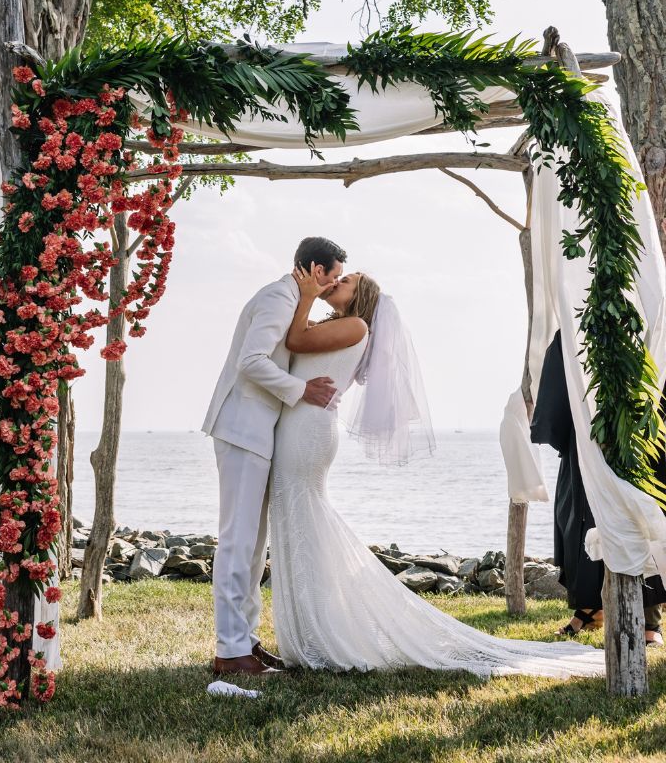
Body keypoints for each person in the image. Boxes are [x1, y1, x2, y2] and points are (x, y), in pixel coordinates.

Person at [267, 266, 605, 678]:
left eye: (347, 281)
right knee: (299, 525)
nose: (337, 282)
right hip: (300, 429)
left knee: (306, 525)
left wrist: (305, 293)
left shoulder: (355, 325)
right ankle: (312, 629)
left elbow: (294, 340)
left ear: (360, 297)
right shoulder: (339, 324)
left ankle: (324, 632)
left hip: (308, 434)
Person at [202, 236, 347, 676]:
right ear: (316, 271)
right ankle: (230, 652)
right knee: (238, 541)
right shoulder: (277, 298)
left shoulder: (290, 299)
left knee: (253, 545)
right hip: (243, 426)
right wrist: (301, 390)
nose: (334, 285)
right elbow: (252, 361)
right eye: (334, 277)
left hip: (258, 431)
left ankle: (245, 640)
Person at [531, 330, 666, 644]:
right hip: (589, 439)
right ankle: (590, 608)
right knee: (583, 519)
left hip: (645, 439)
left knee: (642, 517)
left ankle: (649, 621)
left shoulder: (652, 321)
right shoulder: (574, 330)